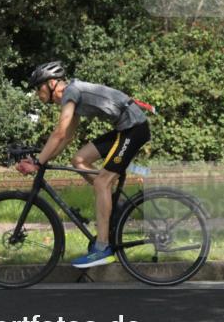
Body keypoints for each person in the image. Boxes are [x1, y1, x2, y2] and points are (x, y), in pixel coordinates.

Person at [17, 61, 151, 268]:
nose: (37, 93)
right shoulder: (73, 95)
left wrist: (37, 162)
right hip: (125, 128)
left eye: (38, 87)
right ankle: (115, 204)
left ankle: (103, 248)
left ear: (52, 84)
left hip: (133, 129)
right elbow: (67, 137)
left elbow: (59, 132)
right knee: (79, 160)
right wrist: (44, 160)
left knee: (101, 183)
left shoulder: (71, 92)